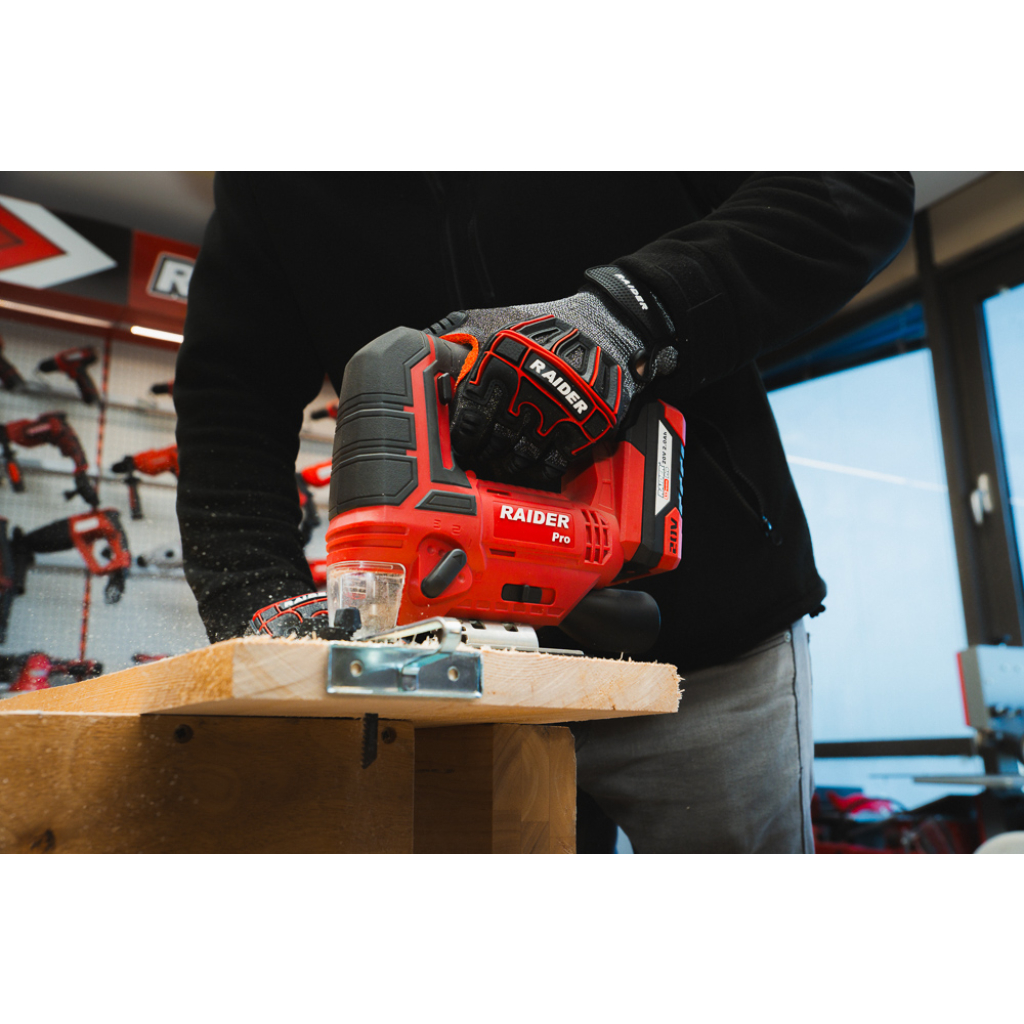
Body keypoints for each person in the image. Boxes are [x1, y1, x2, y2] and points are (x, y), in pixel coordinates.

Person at [174, 172, 915, 853]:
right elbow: (231, 393)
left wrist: (633, 314)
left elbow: (851, 187)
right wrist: (257, 598)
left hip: (711, 648)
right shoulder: (271, 177)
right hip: (443, 676)